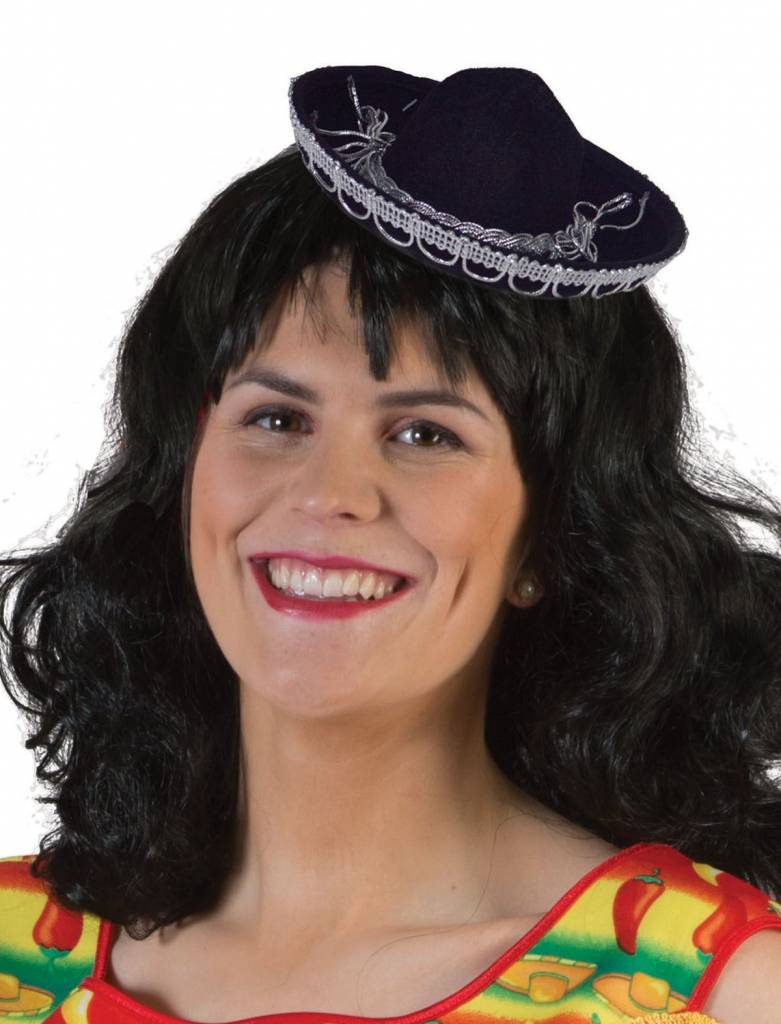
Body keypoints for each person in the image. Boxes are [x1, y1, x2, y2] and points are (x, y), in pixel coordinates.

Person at [0, 63, 780, 1024]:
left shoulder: (711, 992)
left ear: (549, 538)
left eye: (425, 434)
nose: (329, 494)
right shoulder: (15, 951)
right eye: (277, 418)